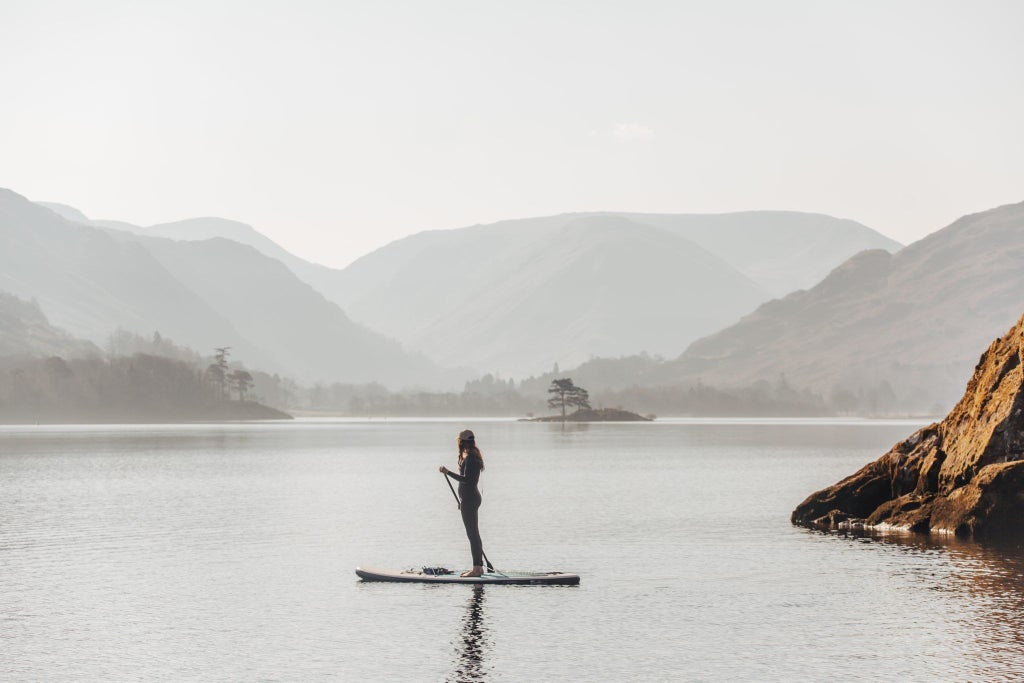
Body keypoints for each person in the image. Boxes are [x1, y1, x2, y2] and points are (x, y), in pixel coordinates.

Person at [440, 429, 486, 577]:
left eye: (459, 441)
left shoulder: (471, 457)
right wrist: (462, 500)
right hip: (469, 499)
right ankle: (478, 566)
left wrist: (448, 472)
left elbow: (467, 480)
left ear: (463, 442)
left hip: (470, 498)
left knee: (472, 534)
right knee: (473, 533)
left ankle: (477, 569)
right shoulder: (472, 455)